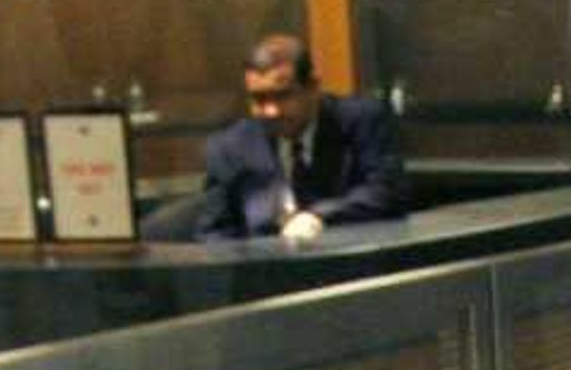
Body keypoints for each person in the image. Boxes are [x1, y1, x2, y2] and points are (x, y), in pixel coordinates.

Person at [163, 34, 406, 245]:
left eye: (282, 96)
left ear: (313, 87)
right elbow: (214, 234)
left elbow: (384, 191)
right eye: (259, 99)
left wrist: (317, 216)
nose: (271, 111)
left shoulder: (362, 120)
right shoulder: (229, 149)